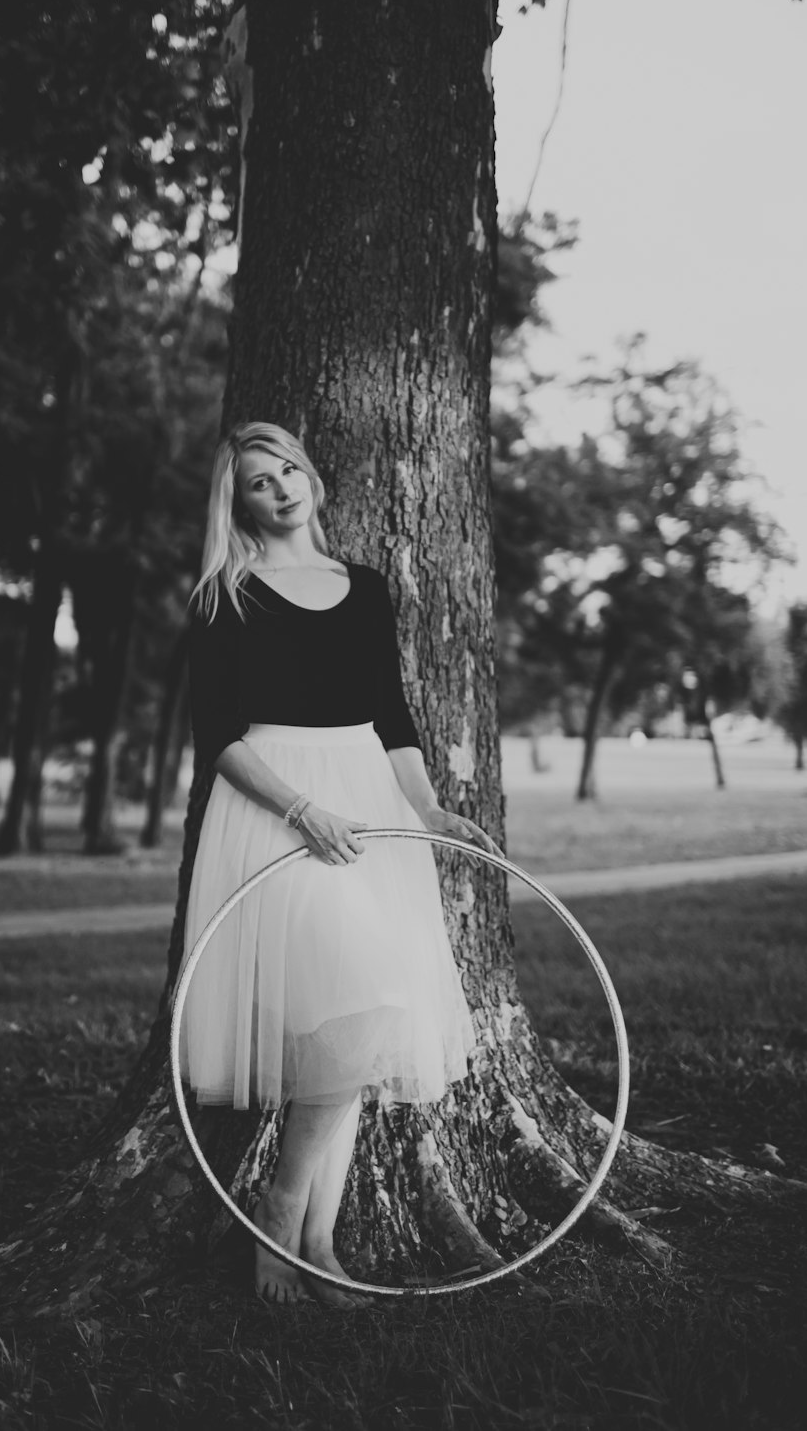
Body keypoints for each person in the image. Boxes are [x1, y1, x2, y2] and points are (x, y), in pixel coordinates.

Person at [179, 420, 496, 1307]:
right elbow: (218, 742)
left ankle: (319, 1244)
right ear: (236, 502)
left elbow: (390, 712)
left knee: (349, 1035)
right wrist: (302, 810)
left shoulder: (363, 587)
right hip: (277, 807)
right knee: (354, 1006)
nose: (278, 488)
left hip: (373, 801)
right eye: (256, 481)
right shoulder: (224, 594)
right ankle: (279, 1219)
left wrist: (429, 810)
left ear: (311, 479)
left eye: (287, 470)